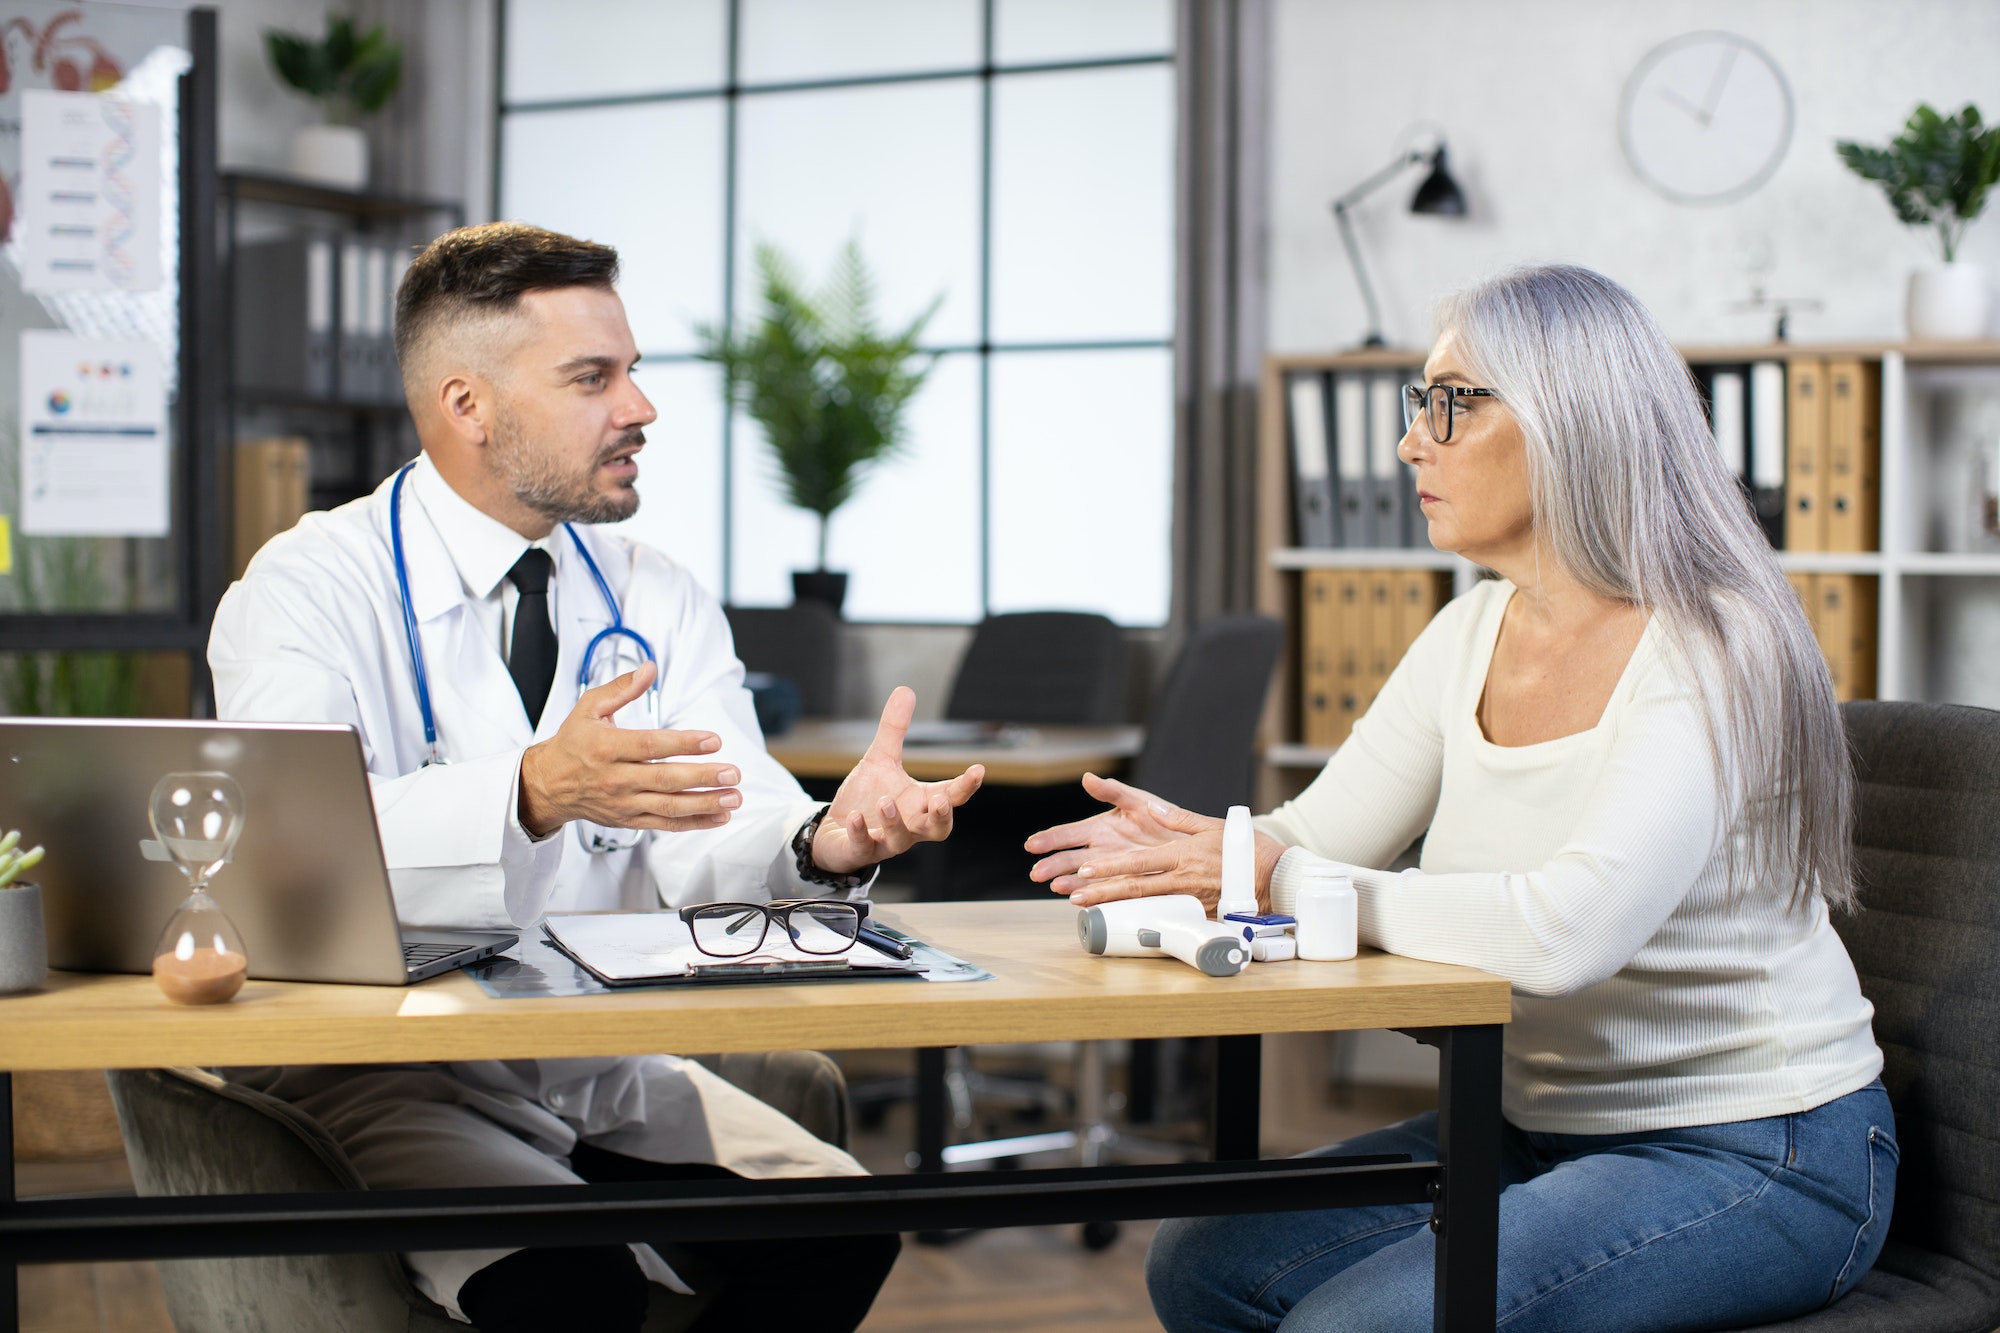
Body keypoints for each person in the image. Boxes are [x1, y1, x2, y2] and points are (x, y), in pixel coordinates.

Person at [1026, 265, 1894, 1332]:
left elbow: (1562, 933)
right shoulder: (1468, 632)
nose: (1408, 445)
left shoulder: (1714, 641)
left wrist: (1279, 875)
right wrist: (1201, 847)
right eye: (1416, 404)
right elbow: (1313, 839)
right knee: (1205, 1262)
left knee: (1354, 1327)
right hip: (1524, 1123)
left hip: (1757, 1144)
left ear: (1571, 421)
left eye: (1450, 404)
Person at [209, 222, 984, 1331]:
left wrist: (821, 839)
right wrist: (532, 790)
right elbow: (291, 863)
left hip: (586, 1055)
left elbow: (718, 816)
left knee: (837, 1233)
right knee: (567, 1292)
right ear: (468, 404)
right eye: (592, 377)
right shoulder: (306, 592)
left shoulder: (653, 591)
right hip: (387, 1062)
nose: (641, 408)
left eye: (631, 369)